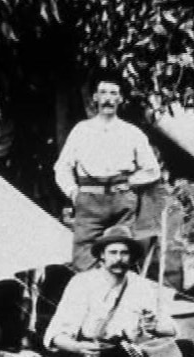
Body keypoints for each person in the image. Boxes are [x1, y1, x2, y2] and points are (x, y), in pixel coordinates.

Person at [41, 225, 177, 357]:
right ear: (102, 256)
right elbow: (55, 335)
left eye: (124, 253)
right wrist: (77, 346)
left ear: (132, 258)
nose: (119, 259)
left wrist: (154, 326)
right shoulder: (82, 283)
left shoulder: (142, 287)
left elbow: (171, 329)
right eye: (113, 252)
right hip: (88, 355)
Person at [54, 70, 161, 272]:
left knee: (120, 258)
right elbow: (62, 167)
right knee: (83, 261)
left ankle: (119, 301)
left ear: (120, 99)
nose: (108, 99)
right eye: (103, 92)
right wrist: (73, 192)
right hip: (89, 202)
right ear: (95, 97)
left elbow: (152, 170)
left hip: (121, 202)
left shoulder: (131, 132)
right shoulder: (82, 130)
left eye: (113, 93)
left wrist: (130, 183)